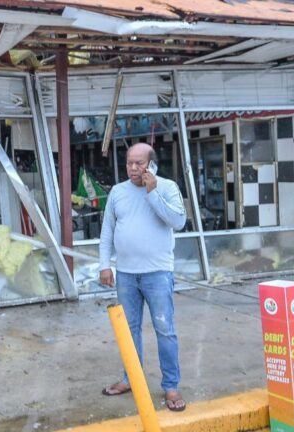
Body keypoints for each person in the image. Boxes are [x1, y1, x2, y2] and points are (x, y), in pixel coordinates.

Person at [98, 142, 188, 412]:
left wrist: (152, 193)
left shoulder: (168, 188)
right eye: (129, 163)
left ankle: (171, 386)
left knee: (165, 330)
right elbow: (107, 231)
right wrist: (105, 265)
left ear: (153, 165)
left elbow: (178, 222)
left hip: (158, 273)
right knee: (129, 331)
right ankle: (130, 379)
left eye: (139, 163)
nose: (133, 168)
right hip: (126, 275)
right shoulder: (117, 192)